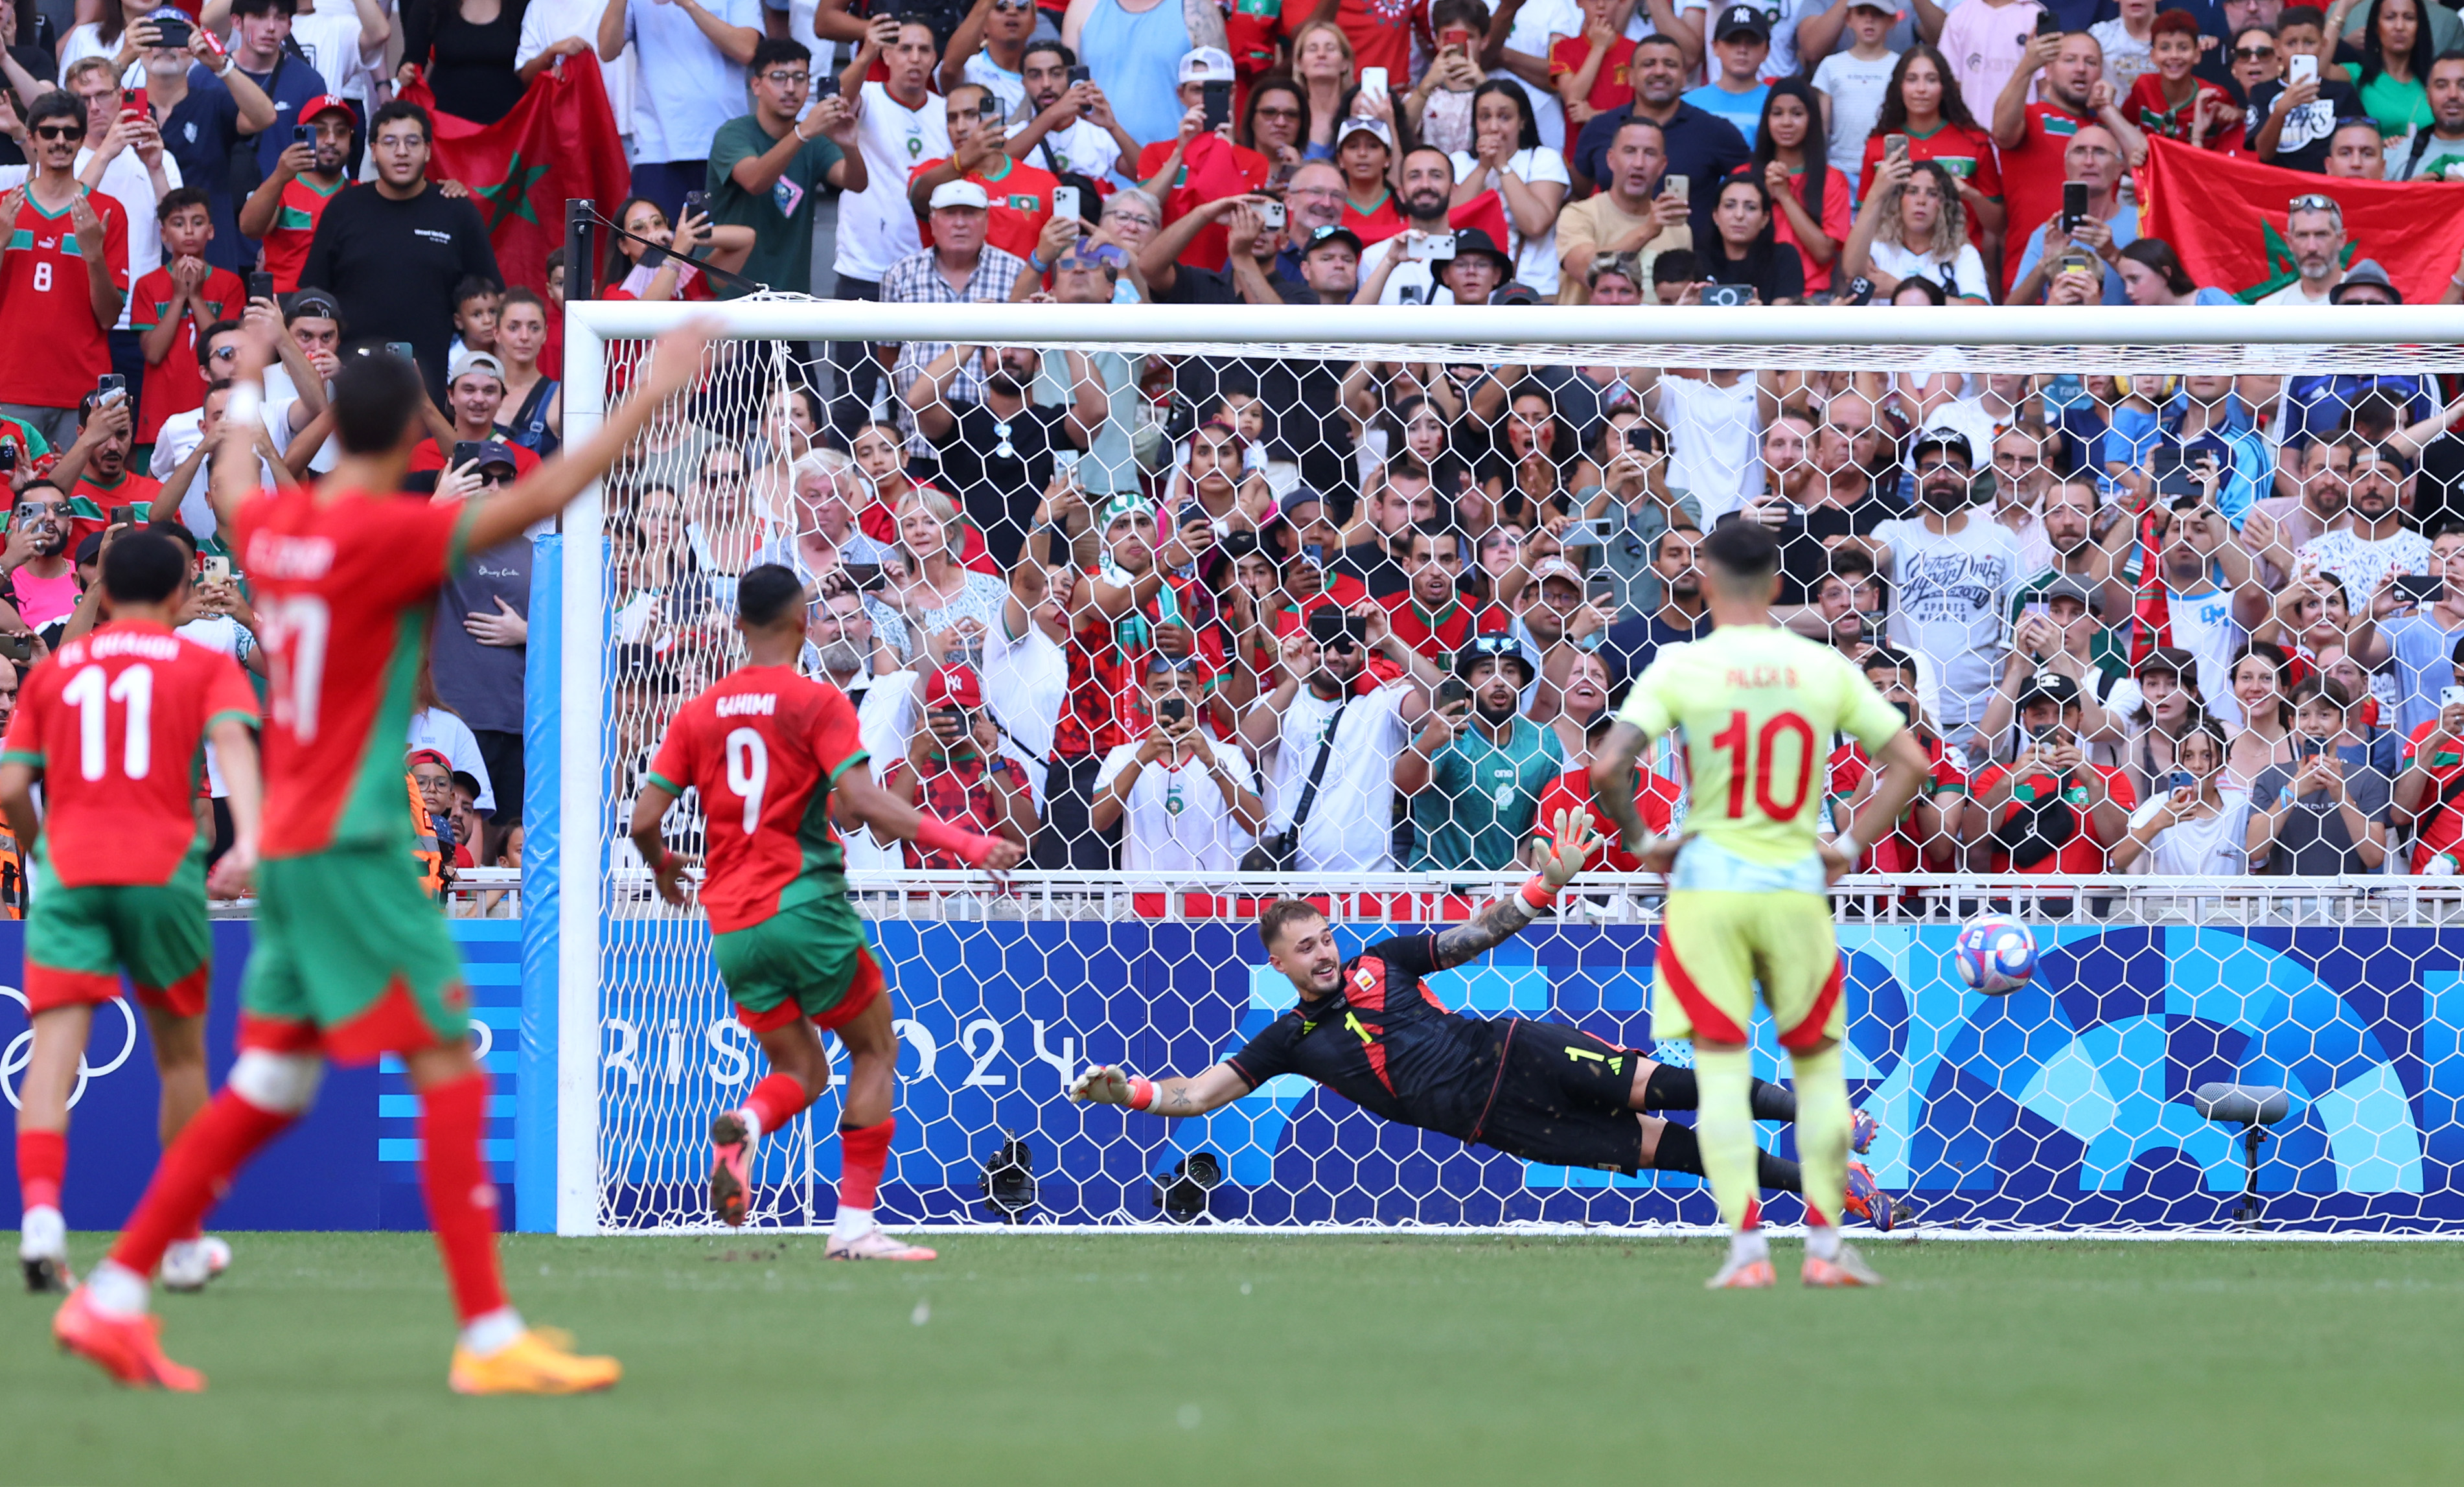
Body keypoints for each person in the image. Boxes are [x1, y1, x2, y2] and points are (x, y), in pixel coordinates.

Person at [51, 314, 724, 1392]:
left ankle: (114, 1294)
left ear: (336, 427)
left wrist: (258, 379)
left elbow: (228, 479)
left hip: (295, 847)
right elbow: (546, 499)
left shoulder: (271, 529)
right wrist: (656, 393)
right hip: (361, 841)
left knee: (271, 1080)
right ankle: (489, 1337)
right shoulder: (392, 534)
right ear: (411, 433)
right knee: (447, 1061)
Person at [1067, 849, 1896, 1242]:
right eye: (1306, 948)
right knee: (1679, 1153)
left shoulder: (1380, 959)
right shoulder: (1286, 1040)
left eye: (1325, 937)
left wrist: (1541, 888)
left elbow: (1469, 939)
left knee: (1674, 1088)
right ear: (1278, 964)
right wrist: (1128, 1093)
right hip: (1502, 1126)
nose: (1324, 952)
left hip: (1517, 1053)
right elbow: (1198, 1094)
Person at [631, 566, 1024, 1249]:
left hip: (731, 922)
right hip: (806, 906)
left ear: (738, 625)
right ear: (802, 621)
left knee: (801, 1071)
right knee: (874, 1049)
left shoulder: (697, 711)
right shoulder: (816, 703)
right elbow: (862, 805)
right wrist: (967, 841)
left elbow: (643, 818)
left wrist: (666, 868)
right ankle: (853, 1228)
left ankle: (745, 1130)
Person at [1591, 519, 1928, 1287]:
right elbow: (1907, 761)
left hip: (1707, 886)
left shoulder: (1678, 664)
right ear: (1778, 586)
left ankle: (1745, 1255)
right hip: (1791, 885)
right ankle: (1822, 1250)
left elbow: (1609, 765)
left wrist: (1646, 841)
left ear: (1704, 582)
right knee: (1813, 1070)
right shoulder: (1821, 667)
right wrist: (1844, 848)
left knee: (1718, 1070)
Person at [5, 529, 261, 1297]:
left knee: (53, 1049)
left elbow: (14, 789)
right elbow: (237, 757)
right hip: (164, 873)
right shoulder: (204, 667)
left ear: (104, 593)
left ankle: (44, 1219)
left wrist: (41, 851)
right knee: (180, 1057)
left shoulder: (55, 674)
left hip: (72, 874)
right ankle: (181, 1241)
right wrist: (248, 843)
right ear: (183, 592)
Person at [298, 100, 500, 403]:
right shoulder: (343, 209)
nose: (402, 151)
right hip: (349, 379)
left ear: (428, 151)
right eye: (390, 142)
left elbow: (490, 294)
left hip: (433, 384)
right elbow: (314, 296)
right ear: (373, 151)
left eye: (412, 142)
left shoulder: (457, 212)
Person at [826, 16, 950, 437]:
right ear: (887, 55)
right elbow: (839, 101)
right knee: (852, 400)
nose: (914, 58)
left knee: (917, 398)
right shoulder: (870, 96)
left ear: (936, 58)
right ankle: (840, 492)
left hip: (924, 276)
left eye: (924, 50)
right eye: (903, 48)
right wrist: (865, 52)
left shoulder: (947, 111)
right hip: (864, 268)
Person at [0, 90, 128, 448]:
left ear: (83, 139)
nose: (60, 141)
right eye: (49, 132)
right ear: (31, 138)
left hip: (80, 390)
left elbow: (108, 317)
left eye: (70, 133)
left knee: (72, 503)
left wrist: (93, 254)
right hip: (10, 384)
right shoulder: (4, 207)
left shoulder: (107, 212)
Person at [708, 36, 864, 298]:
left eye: (800, 78)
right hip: (732, 302)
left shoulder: (814, 141)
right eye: (779, 77)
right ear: (756, 85)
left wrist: (850, 146)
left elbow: (856, 182)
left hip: (791, 302)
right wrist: (802, 132)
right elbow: (754, 180)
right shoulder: (734, 134)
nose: (791, 88)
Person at [1401, 636, 1563, 872]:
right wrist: (1426, 744)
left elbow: (1547, 819)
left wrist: (1515, 875)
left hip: (1510, 890)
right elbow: (1407, 786)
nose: (1499, 681)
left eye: (1509, 672)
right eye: (1486, 671)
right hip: (1438, 889)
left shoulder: (1543, 740)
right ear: (1466, 682)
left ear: (1522, 682)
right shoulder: (1447, 731)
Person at [1089, 652, 1264, 870]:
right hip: (1144, 894)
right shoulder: (1122, 756)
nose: (1173, 696)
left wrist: (1210, 762)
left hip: (1211, 895)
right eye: (1161, 689)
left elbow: (1257, 825)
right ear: (1145, 697)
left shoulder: (1228, 755)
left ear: (1199, 694)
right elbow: (1099, 822)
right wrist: (1142, 759)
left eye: (1184, 688)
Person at [1569, 33, 1753, 240]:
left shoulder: (1716, 132)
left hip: (1692, 263)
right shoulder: (1600, 128)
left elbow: (1752, 189)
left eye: (1670, 64)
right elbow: (1578, 193)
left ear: (1684, 77)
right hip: (1615, 259)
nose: (1659, 71)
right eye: (1649, 64)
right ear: (1630, 76)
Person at [596, 0, 761, 217]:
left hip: (724, 145)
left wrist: (688, 5)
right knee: (658, 247)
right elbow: (607, 50)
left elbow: (747, 49)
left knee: (721, 246)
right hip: (658, 148)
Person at [1852, 43, 2004, 257]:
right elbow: (1864, 221)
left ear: (1945, 87)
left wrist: (1969, 194)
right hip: (1894, 264)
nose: (1921, 89)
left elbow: (1998, 226)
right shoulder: (1878, 145)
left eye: (1931, 79)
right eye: (1912, 79)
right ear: (1899, 87)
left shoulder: (1974, 142)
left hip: (1958, 262)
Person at [2246, 675, 2391, 871]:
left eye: (2324, 715)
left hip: (2345, 900)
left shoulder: (2366, 778)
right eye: (2304, 715)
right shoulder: (2272, 776)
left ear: (2343, 723)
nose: (2313, 725)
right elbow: (2255, 850)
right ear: (2292, 722)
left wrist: (2341, 796)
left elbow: (2374, 858)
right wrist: (2293, 790)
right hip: (2288, 901)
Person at [1451, 80, 1571, 299]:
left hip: (1534, 287)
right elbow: (1453, 224)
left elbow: (1535, 225)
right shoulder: (1459, 162)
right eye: (1485, 117)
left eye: (1505, 117)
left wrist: (1502, 166)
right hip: (1468, 292)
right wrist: (1483, 167)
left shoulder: (1544, 159)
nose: (1494, 127)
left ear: (1522, 121)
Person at [1554, 114, 1692, 302]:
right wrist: (1647, 231)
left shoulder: (1679, 229)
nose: (1639, 163)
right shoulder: (1578, 214)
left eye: (1650, 153)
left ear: (1662, 166)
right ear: (1610, 159)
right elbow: (1587, 271)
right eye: (1630, 151)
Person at [1061, 0, 1223, 155]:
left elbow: (1222, 99)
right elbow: (1065, 92)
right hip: (1097, 168)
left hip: (1175, 168)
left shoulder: (1197, 8)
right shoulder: (1083, 6)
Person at [2007, 122, 2138, 306]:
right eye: (2080, 151)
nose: (2089, 161)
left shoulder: (2143, 224)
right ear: (2067, 167)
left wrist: (2112, 254)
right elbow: (2011, 314)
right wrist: (2046, 264)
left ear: (2119, 169)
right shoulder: (2049, 234)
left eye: (2100, 152)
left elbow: (2165, 302)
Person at [235, 91, 352, 294]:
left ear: (351, 140)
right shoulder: (281, 187)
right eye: (320, 131)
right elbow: (249, 229)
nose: (331, 140)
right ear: (302, 134)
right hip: (284, 309)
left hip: (342, 307)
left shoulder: (362, 194)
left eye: (341, 132)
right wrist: (280, 176)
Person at [1838, 157, 1988, 303]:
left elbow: (1979, 313)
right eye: (1912, 191)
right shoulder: (1877, 247)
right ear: (1898, 200)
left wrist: (1898, 288)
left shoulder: (1962, 254)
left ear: (1944, 205)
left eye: (1932, 194)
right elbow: (1852, 272)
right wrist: (1876, 194)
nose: (1921, 200)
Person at [1751, 76, 1850, 295]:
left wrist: (1785, 197)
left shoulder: (1832, 180)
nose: (1786, 122)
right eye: (1777, 113)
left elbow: (1824, 252)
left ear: (1812, 119)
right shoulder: (1745, 176)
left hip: (1811, 298)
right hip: (1756, 297)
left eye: (1797, 114)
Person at [2112, 717, 2248, 871]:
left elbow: (2260, 861)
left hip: (2223, 895)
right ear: (2175, 763)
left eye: (2207, 756)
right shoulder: (2159, 804)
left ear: (2224, 764)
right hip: (2170, 895)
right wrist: (2158, 822)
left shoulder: (2238, 806)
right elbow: (2118, 860)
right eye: (2188, 756)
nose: (2197, 765)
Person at [2246, 6, 2365, 170]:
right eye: (2291, 43)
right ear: (2278, 48)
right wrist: (2280, 110)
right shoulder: (2262, 92)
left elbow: (2359, 143)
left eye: (2309, 42)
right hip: (2279, 184)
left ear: (2323, 44)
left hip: (2327, 185)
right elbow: (2265, 153)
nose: (2300, 51)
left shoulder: (2342, 92)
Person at [2126, 8, 2245, 148]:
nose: (2174, 55)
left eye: (2183, 48)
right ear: (2153, 56)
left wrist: (2240, 114)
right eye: (2165, 48)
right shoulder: (2143, 86)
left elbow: (2241, 133)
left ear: (2197, 55)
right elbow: (2125, 125)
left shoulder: (2216, 96)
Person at [1810, 0, 1900, 181]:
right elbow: (1821, 126)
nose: (1869, 20)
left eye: (1878, 14)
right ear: (1848, 19)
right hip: (1838, 169)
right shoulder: (1831, 65)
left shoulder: (1901, 66)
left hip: (1885, 169)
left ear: (1892, 21)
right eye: (1862, 13)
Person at [400, 0, 524, 124]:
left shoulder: (522, 4)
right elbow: (413, 57)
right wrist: (406, 71)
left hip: (510, 126)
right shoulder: (431, 4)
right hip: (445, 125)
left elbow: (533, 67)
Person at [2333, 0, 2435, 139]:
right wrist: (2343, 7)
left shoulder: (2436, 80)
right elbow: (2318, 67)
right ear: (2376, 26)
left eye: (2409, 18)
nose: (2400, 27)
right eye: (2390, 17)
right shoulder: (2358, 73)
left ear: (2419, 27)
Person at [1699, 174, 1804, 303]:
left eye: (1751, 208)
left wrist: (1760, 317)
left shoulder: (1783, 257)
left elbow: (1786, 319)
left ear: (1765, 219)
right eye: (1730, 205)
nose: (1739, 215)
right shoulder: (1698, 260)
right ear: (1715, 216)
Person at [2254, 191, 2347, 305]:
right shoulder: (2268, 310)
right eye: (2302, 235)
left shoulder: (2367, 302)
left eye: (2321, 235)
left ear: (2341, 240)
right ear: (2290, 242)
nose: (2312, 247)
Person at [2390, 48, 2464, 179]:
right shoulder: (2397, 155)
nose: (2453, 95)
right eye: (2441, 86)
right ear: (2428, 96)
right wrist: (2409, 195)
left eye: (2463, 85)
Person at [2117, 235, 2240, 305]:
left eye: (2135, 279)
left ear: (2164, 274)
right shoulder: (2139, 324)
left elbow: (2249, 344)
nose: (2128, 291)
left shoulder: (2210, 300)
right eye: (2124, 282)